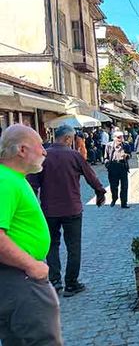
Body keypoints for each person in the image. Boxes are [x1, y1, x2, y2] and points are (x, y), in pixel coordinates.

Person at [0, 124, 63, 345]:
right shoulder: (5, 180)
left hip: (17, 277)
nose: (45, 151)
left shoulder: (13, 178)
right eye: (40, 146)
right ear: (22, 150)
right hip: (19, 277)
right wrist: (31, 265)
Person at [27, 125, 106, 296]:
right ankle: (71, 283)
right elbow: (91, 176)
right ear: (68, 139)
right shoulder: (74, 156)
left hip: (49, 210)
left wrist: (33, 208)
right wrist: (100, 193)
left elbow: (32, 184)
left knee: (52, 245)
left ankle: (55, 282)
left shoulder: (44, 156)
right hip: (72, 209)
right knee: (73, 246)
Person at [104, 131, 131, 208]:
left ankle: (124, 203)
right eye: (118, 137)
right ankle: (114, 198)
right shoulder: (109, 145)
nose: (120, 139)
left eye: (121, 137)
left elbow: (130, 155)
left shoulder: (126, 145)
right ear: (114, 138)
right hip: (113, 167)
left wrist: (126, 156)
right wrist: (107, 165)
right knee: (113, 186)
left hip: (123, 166)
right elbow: (106, 157)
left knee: (124, 186)